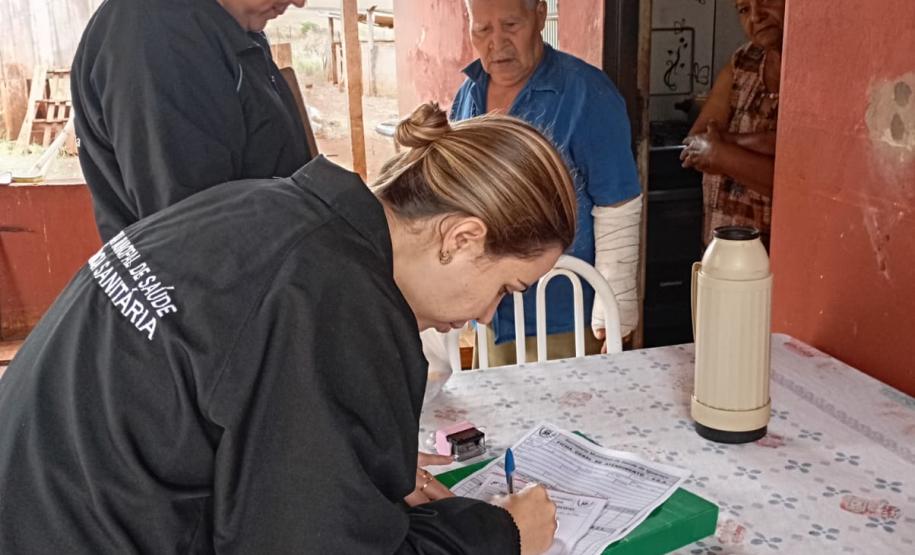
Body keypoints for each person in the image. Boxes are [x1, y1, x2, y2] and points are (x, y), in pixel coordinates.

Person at [0, 103, 571, 554]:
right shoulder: (340, 300)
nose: (486, 316)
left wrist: (349, 475)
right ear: (462, 238)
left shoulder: (262, 206)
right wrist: (501, 535)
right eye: (505, 288)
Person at [450, 0, 643, 365]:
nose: (497, 43)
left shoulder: (587, 94)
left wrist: (615, 304)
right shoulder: (467, 95)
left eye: (511, 25)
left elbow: (618, 204)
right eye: (482, 30)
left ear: (539, 14)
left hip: (565, 321)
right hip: (490, 316)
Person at [71, 0, 312, 242]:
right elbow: (194, 235)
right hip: (217, 264)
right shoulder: (163, 36)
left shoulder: (222, 26)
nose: (300, 2)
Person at [680, 0, 785, 249]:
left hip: (781, 251)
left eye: (766, 1)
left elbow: (793, 178)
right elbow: (695, 142)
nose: (756, 16)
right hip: (724, 246)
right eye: (743, 9)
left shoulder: (818, 70)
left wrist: (723, 151)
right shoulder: (742, 63)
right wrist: (762, 147)